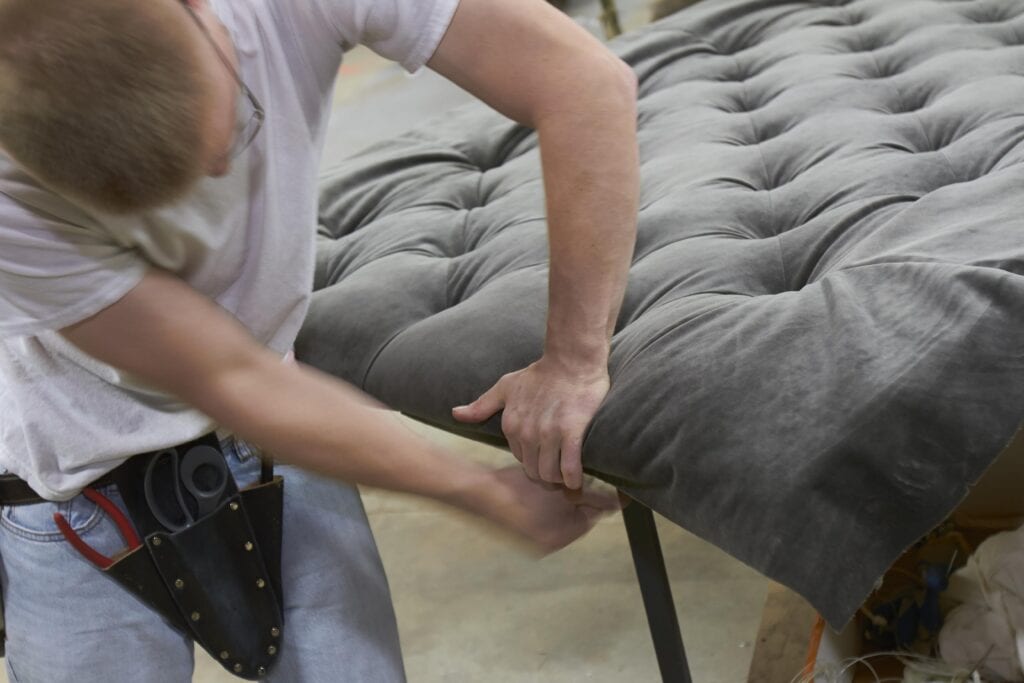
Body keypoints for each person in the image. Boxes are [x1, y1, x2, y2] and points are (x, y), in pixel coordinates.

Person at [0, 0, 639, 680]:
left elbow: (584, 81)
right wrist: (481, 490)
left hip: (272, 438)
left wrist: (574, 360)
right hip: (69, 479)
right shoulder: (10, 205)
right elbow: (234, 378)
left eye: (232, 129)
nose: (217, 179)